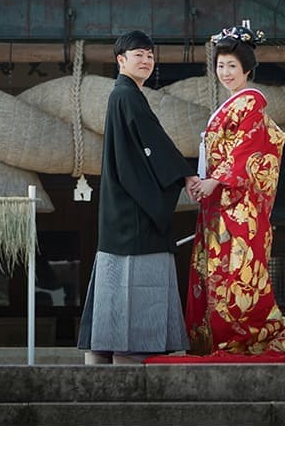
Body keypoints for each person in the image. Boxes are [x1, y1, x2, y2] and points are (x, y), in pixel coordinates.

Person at [77, 30, 199, 365]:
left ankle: (103, 351)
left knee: (113, 289)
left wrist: (178, 171)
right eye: (137, 55)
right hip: (133, 211)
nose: (145, 61)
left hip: (121, 209)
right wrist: (184, 174)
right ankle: (128, 354)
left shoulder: (125, 95)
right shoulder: (127, 96)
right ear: (121, 61)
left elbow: (150, 142)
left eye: (149, 55)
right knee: (133, 289)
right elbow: (153, 143)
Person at [184, 24, 285, 356]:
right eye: (220, 66)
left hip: (238, 206)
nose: (225, 72)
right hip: (220, 201)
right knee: (217, 268)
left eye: (231, 67)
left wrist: (216, 179)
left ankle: (244, 337)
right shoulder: (229, 107)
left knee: (238, 270)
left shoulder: (250, 102)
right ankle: (218, 339)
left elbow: (248, 150)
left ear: (247, 70)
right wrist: (199, 178)